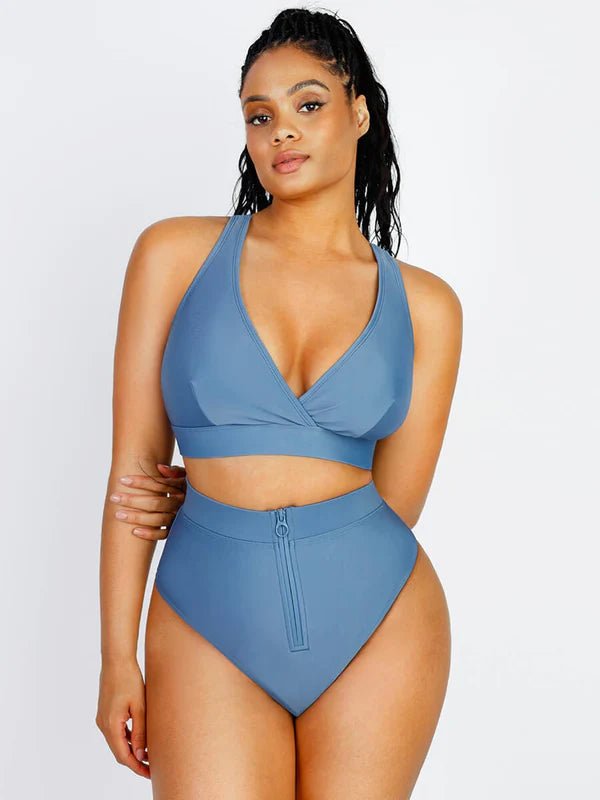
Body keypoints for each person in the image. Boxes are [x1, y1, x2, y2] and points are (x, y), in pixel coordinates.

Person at [96, 7, 462, 798]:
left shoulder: (427, 306)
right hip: (207, 610)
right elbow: (135, 475)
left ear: (359, 112)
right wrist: (117, 657)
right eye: (259, 116)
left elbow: (395, 505)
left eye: (308, 104)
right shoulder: (174, 255)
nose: (281, 132)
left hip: (379, 618)